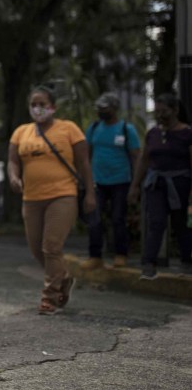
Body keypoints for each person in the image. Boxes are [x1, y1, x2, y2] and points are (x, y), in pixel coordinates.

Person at [8, 86, 96, 315]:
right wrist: (13, 177)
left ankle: (50, 297)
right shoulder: (21, 132)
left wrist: (90, 193)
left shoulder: (69, 129)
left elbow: (84, 163)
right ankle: (64, 278)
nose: (37, 108)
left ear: (53, 107)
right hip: (32, 198)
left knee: (51, 246)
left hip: (62, 196)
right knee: (37, 249)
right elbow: (13, 161)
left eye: (42, 104)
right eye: (33, 104)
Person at [128, 93, 192, 280]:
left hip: (180, 183)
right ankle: (149, 263)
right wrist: (135, 186)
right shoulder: (153, 133)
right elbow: (144, 160)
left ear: (175, 111)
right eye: (157, 112)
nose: (160, 115)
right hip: (156, 184)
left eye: (164, 111)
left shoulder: (187, 133)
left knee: (181, 224)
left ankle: (187, 260)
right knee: (156, 222)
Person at [82, 92, 140, 270]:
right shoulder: (94, 128)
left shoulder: (126, 129)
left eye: (104, 108)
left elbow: (136, 157)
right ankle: (95, 255)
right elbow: (86, 155)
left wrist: (135, 186)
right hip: (98, 182)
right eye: (99, 108)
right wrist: (85, 179)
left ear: (114, 109)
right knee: (95, 219)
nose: (101, 111)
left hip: (120, 182)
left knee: (118, 219)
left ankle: (120, 254)